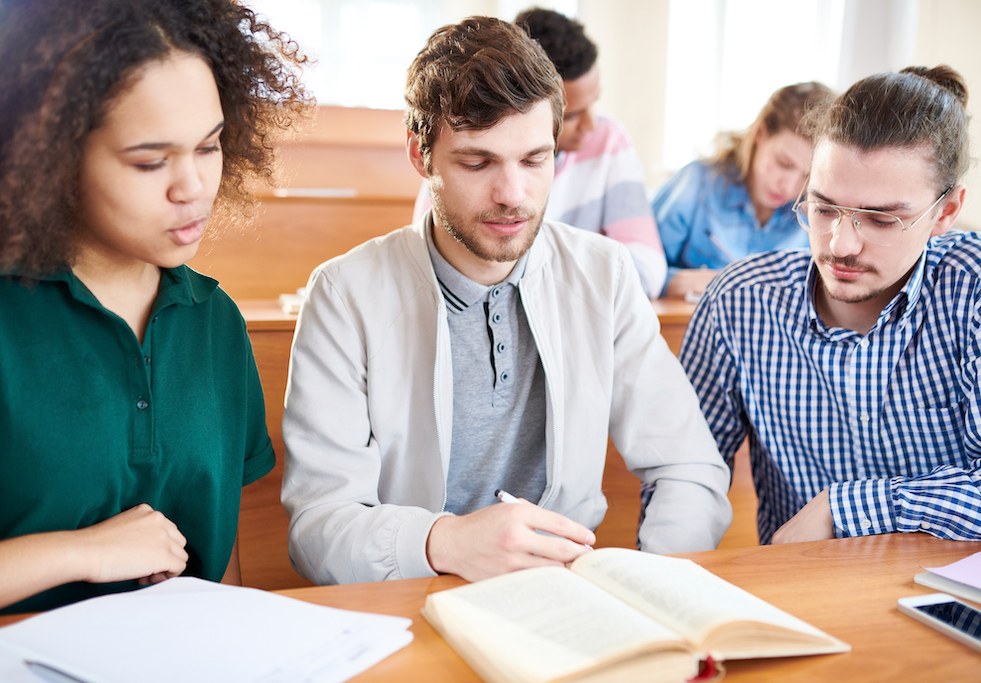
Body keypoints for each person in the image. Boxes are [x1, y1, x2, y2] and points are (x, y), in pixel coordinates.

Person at [281, 16, 731, 586]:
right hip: (407, 598)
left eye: (535, 160)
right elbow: (318, 527)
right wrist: (445, 542)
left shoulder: (605, 274)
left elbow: (689, 466)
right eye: (477, 162)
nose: (513, 196)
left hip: (564, 597)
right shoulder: (344, 293)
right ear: (422, 156)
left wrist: (654, 584)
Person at [0, 0, 311, 622]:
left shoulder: (215, 322)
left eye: (209, 146)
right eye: (150, 162)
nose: (193, 187)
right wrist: (82, 552)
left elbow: (218, 563)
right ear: (51, 161)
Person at [680, 65, 981, 545]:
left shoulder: (972, 290)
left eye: (881, 219)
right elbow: (687, 471)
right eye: (823, 208)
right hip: (799, 599)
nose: (840, 245)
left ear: (945, 212)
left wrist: (841, 507)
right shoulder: (739, 301)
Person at [412, 8, 668, 298]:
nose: (590, 125)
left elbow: (644, 270)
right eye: (571, 115)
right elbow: (445, 260)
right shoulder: (458, 147)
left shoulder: (610, 140)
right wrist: (596, 259)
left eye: (534, 159)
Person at [655, 82, 834, 299]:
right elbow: (635, 267)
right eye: (783, 163)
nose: (789, 186)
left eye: (808, 176)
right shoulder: (697, 184)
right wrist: (672, 281)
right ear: (760, 133)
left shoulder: (812, 216)